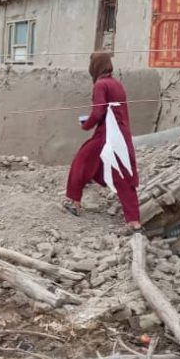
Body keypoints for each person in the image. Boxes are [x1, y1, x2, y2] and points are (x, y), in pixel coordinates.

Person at [62, 52, 141, 232]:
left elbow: (98, 113)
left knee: (81, 161)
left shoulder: (101, 84)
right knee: (122, 173)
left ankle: (73, 201)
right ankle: (134, 220)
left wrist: (86, 124)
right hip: (121, 134)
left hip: (107, 134)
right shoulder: (116, 84)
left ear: (95, 67)